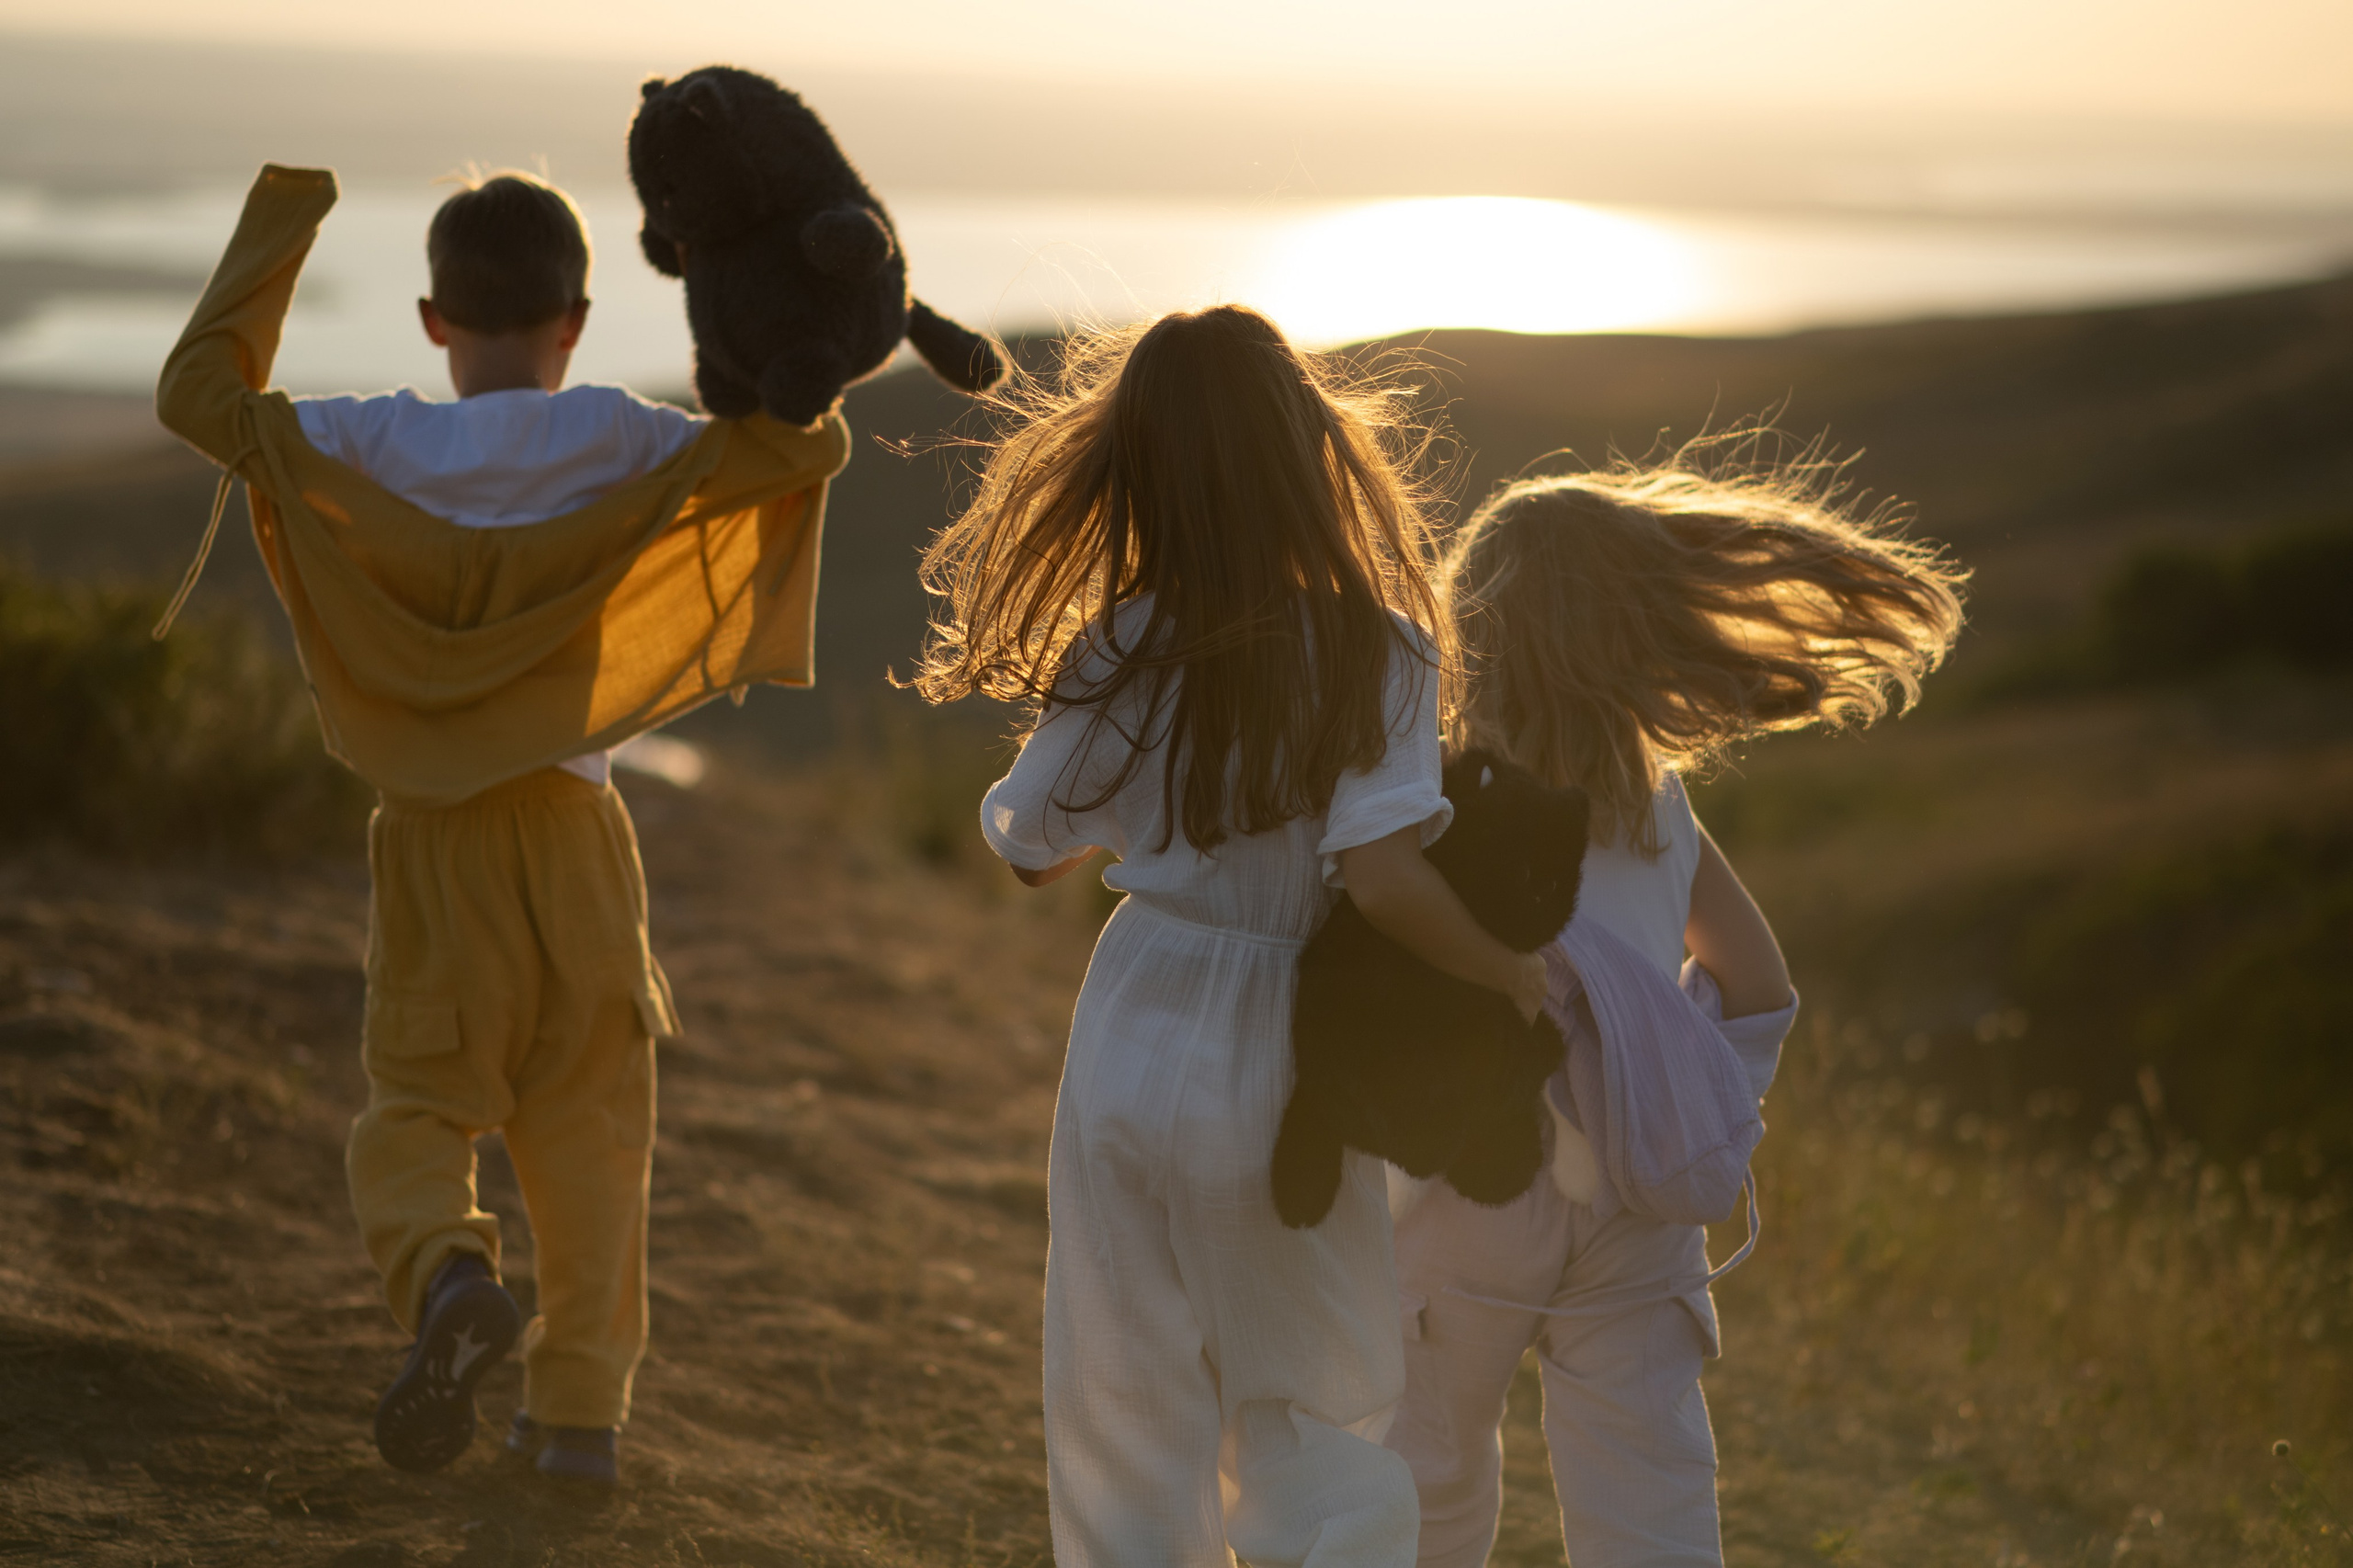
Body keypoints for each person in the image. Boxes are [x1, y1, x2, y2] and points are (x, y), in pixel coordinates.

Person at [155, 165, 853, 1486]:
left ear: (432, 320)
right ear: (575, 321)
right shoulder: (627, 439)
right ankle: (577, 1419)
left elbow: (196, 398)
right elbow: (804, 447)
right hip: (579, 838)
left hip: (432, 843)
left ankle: (447, 1276)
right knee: (592, 1132)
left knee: (418, 1103)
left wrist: (285, 219)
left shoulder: (372, 443)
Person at [915, 305, 1549, 1568]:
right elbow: (1382, 879)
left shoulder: (1124, 640)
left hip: (1134, 1015)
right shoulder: (1380, 648)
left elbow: (1028, 847)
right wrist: (1510, 970)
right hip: (1286, 1046)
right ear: (1311, 451)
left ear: (1138, 473)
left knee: (1127, 1393)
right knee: (1310, 1396)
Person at [1387, 449, 1968, 1567]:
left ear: (1479, 621)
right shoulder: (1654, 802)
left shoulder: (1431, 783)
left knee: (1423, 1483)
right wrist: (1673, 1092)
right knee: (1647, 1499)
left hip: (1472, 1183)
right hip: (1637, 1195)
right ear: (1633, 627)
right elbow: (1758, 986)